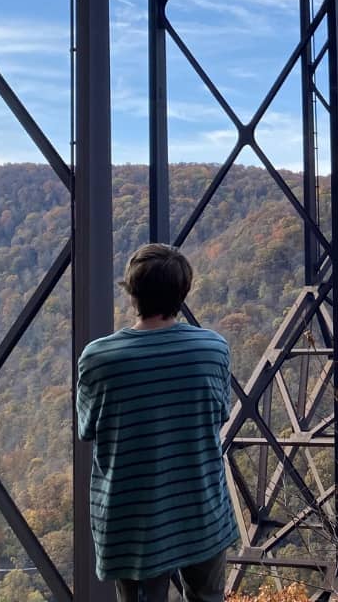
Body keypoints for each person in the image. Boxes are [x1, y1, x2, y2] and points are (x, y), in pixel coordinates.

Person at [76, 243, 239, 602]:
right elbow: (219, 413)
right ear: (183, 293)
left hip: (132, 517)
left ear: (132, 292)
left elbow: (87, 428)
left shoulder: (98, 358)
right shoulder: (213, 349)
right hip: (201, 504)